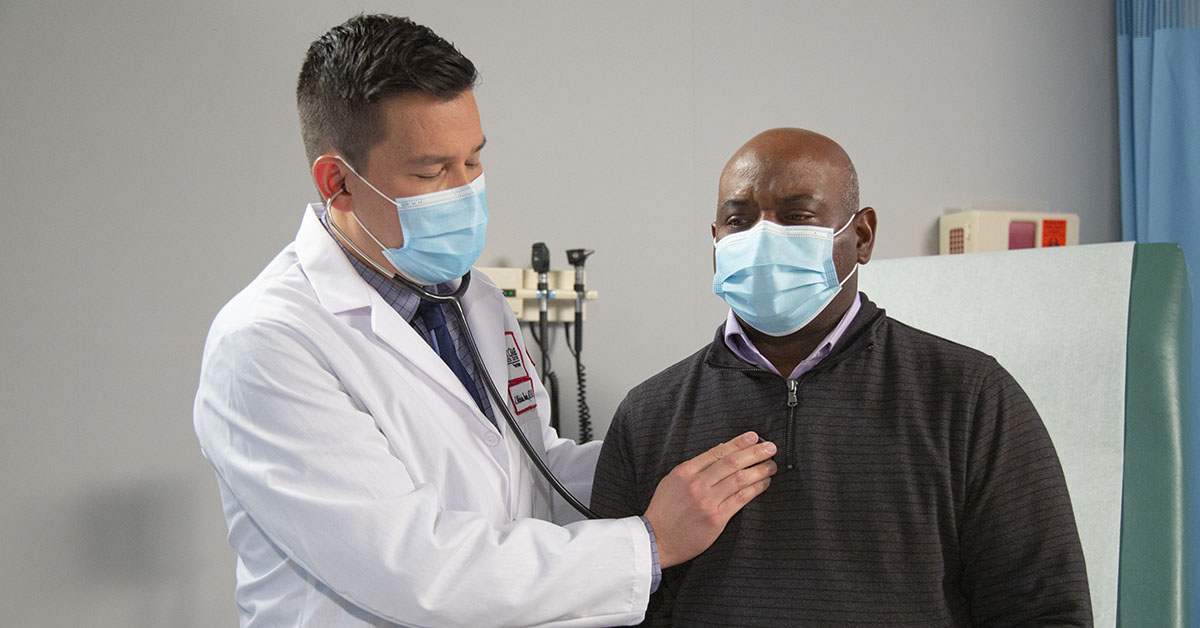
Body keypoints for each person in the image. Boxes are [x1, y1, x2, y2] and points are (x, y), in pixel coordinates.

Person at [192, 14, 778, 628]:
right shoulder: (267, 344)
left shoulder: (472, 299)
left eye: (473, 160)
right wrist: (651, 542)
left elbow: (531, 474)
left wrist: (663, 457)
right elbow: (416, 570)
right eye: (431, 172)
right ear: (337, 181)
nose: (466, 190)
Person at [590, 128, 1093, 627]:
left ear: (863, 235)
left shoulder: (968, 398)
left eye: (797, 216)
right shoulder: (648, 414)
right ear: (716, 241)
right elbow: (612, 606)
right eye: (738, 220)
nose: (763, 236)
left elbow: (1043, 609)